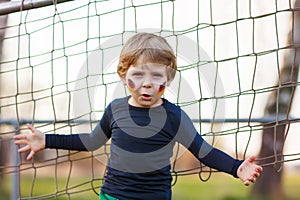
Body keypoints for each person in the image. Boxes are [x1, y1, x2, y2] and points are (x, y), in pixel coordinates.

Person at [14, 33, 263, 200]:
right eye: (139, 75)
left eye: (157, 76)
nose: (147, 84)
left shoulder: (174, 116)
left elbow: (203, 151)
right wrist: (46, 140)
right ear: (123, 76)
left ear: (168, 79)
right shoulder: (115, 110)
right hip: (114, 196)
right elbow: (91, 141)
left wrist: (236, 167)